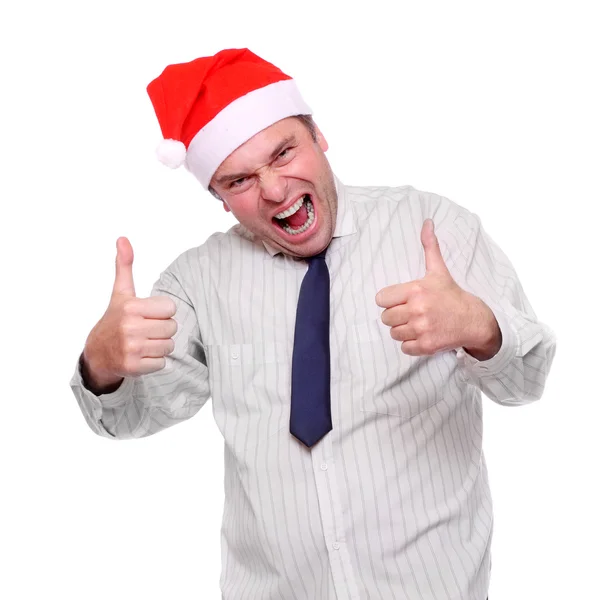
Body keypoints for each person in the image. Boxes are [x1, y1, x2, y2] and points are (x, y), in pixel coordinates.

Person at [69, 48, 557, 600]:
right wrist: (101, 365)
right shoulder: (197, 283)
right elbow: (128, 419)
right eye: (240, 180)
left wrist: (479, 326)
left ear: (319, 135)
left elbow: (526, 380)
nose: (274, 189)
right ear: (219, 199)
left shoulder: (434, 228)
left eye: (283, 152)